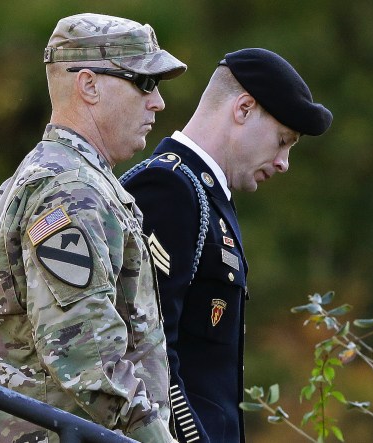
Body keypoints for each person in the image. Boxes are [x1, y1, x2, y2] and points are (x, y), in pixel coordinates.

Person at [0, 13, 187, 443]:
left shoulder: (43, 177)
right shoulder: (70, 191)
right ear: (89, 85)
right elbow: (86, 351)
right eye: (143, 83)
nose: (157, 103)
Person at [120, 48, 332, 443]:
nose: (284, 162)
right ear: (244, 108)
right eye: (283, 140)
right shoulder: (169, 188)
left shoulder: (208, 197)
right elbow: (149, 352)